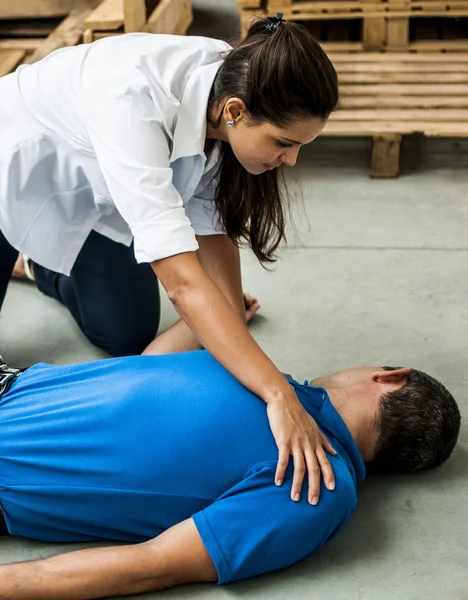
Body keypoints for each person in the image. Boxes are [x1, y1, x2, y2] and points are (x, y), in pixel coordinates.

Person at [0, 15, 339, 501]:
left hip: (94, 195)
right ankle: (18, 246)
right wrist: (277, 393)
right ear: (237, 112)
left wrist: (227, 324)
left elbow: (211, 235)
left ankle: (35, 264)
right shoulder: (132, 100)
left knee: (125, 332)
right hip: (8, 174)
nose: (291, 161)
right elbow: (183, 285)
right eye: (284, 144)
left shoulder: (232, 88)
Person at [0, 352, 460, 599]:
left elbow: (154, 565)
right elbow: (140, 370)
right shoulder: (271, 380)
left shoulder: (319, 484)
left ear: (390, 376)